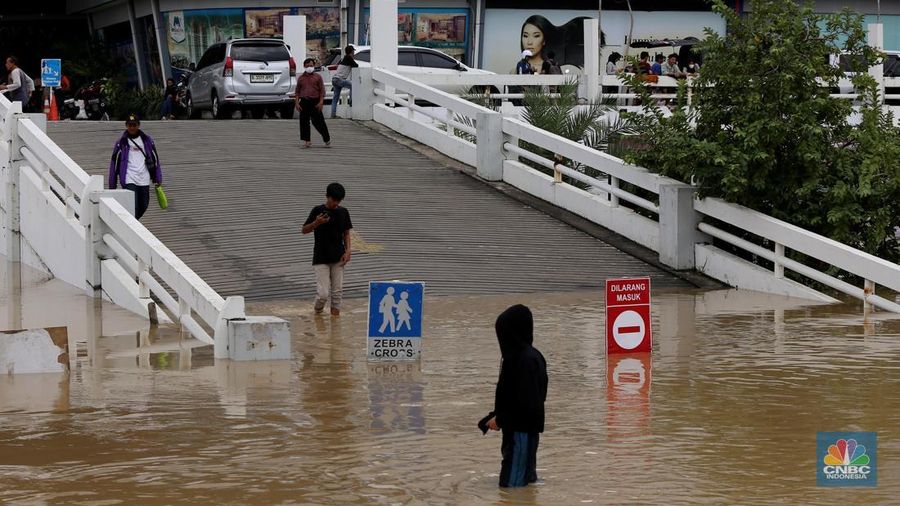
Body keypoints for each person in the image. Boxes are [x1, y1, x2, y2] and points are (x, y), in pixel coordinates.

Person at [485, 304, 548, 488]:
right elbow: (512, 393)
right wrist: (497, 415)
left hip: (522, 430)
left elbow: (527, 401)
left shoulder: (526, 360)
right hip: (520, 429)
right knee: (526, 482)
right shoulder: (519, 357)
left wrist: (502, 419)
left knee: (512, 486)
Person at [302, 182, 352, 317]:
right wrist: (316, 223)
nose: (336, 203)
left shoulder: (343, 212)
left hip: (338, 257)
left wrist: (348, 251)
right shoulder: (317, 210)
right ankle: (317, 313)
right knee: (323, 294)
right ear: (327, 196)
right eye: (333, 199)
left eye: (338, 200)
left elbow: (346, 233)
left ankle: (335, 322)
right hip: (321, 258)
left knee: (337, 293)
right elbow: (304, 230)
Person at [108, 114, 163, 220]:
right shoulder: (121, 143)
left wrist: (158, 177)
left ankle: (131, 223)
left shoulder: (147, 141)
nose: (132, 128)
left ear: (138, 125)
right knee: (134, 205)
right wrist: (112, 184)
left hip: (144, 177)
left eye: (134, 125)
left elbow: (155, 160)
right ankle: (131, 227)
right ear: (126, 125)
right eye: (130, 125)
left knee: (144, 204)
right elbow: (114, 164)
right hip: (129, 177)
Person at [295, 58, 331, 148]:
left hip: (315, 102)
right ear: (304, 67)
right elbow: (297, 91)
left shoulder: (318, 77)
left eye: (311, 66)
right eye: (307, 66)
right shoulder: (301, 78)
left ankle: (326, 138)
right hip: (304, 101)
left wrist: (321, 102)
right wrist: (297, 103)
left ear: (314, 66)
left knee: (319, 122)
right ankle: (307, 141)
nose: (309, 68)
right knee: (304, 122)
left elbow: (322, 91)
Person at [331, 45, 358, 119]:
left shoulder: (344, 58)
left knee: (335, 98)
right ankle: (351, 102)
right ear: (351, 52)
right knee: (353, 85)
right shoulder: (348, 57)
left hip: (335, 79)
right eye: (353, 52)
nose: (354, 53)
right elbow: (356, 65)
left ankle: (333, 115)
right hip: (339, 79)